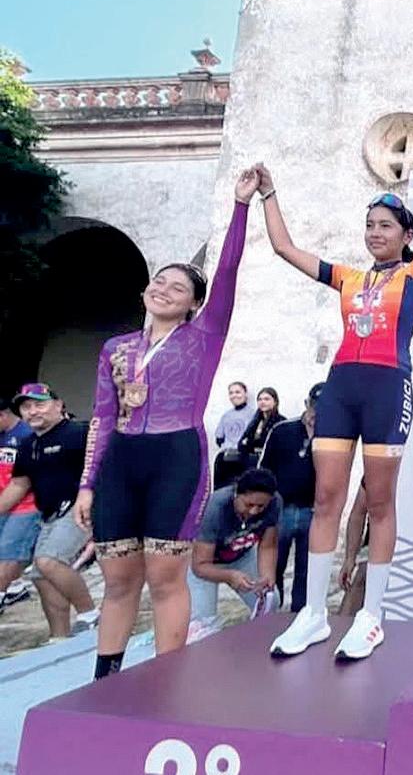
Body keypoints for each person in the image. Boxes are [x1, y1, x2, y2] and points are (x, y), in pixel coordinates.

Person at [259, 112, 413, 661]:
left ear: (405, 235)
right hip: (340, 388)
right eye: (370, 225)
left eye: (386, 226)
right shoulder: (347, 278)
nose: (376, 233)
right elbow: (284, 247)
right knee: (326, 497)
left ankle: (371, 615)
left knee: (379, 502)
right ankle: (313, 614)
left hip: (387, 388)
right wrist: (268, 193)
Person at [73, 169, 260, 680]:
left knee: (164, 577)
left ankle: (165, 681)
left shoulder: (204, 337)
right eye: (159, 281)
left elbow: (228, 270)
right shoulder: (116, 349)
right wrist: (87, 484)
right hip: (120, 463)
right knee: (118, 579)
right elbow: (103, 418)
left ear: (194, 304)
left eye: (178, 287)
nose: (164, 289)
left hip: (177, 457)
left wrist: (241, 205)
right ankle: (105, 680)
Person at [0, 384, 98, 638]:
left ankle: (90, 615)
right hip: (49, 516)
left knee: (48, 561)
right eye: (26, 407)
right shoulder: (27, 445)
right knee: (40, 575)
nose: (33, 411)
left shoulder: (80, 432)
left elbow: (106, 469)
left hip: (80, 510)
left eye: (39, 404)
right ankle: (59, 638)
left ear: (58, 405)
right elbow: (19, 485)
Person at [187, 468, 281, 627]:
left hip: (242, 556)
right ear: (237, 494)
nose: (254, 511)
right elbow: (199, 566)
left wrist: (266, 577)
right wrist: (229, 576)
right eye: (249, 504)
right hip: (206, 563)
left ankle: (259, 638)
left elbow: (268, 546)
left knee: (270, 601)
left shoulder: (274, 503)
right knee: (201, 624)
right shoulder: (215, 507)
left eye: (260, 506)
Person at [258, 382, 321, 611]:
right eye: (314, 407)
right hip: (282, 508)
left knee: (307, 568)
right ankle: (272, 611)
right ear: (307, 404)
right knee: (274, 564)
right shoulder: (282, 430)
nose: (316, 413)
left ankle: (300, 614)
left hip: (312, 510)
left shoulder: (331, 437)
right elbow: (264, 468)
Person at [0, 395, 39, 608]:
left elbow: (24, 482)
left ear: (3, 415)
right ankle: (15, 587)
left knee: (8, 552)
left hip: (26, 504)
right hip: (4, 500)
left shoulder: (27, 435)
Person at [213, 382, 254, 489]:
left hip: (244, 459)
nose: (234, 395)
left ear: (245, 394)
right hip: (226, 459)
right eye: (231, 393)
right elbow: (219, 438)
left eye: (238, 392)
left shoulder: (254, 414)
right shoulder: (226, 415)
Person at [338, 479, 369, 616]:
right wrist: (350, 559)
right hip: (373, 551)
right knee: (359, 580)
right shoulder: (377, 470)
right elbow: (358, 513)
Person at [238, 387, 284, 469]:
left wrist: (249, 443)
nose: (262, 402)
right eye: (260, 399)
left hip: (271, 464)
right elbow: (241, 443)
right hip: (252, 462)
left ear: (275, 402)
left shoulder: (281, 422)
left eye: (266, 399)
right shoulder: (255, 421)